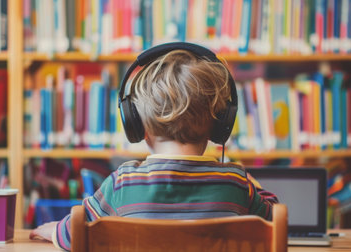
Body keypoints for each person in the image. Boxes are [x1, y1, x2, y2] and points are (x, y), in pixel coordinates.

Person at [30, 43, 278, 251]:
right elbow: (275, 220)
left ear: (138, 128)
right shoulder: (235, 182)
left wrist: (54, 230)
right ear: (217, 127)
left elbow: (75, 230)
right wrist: (251, 182)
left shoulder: (122, 183)